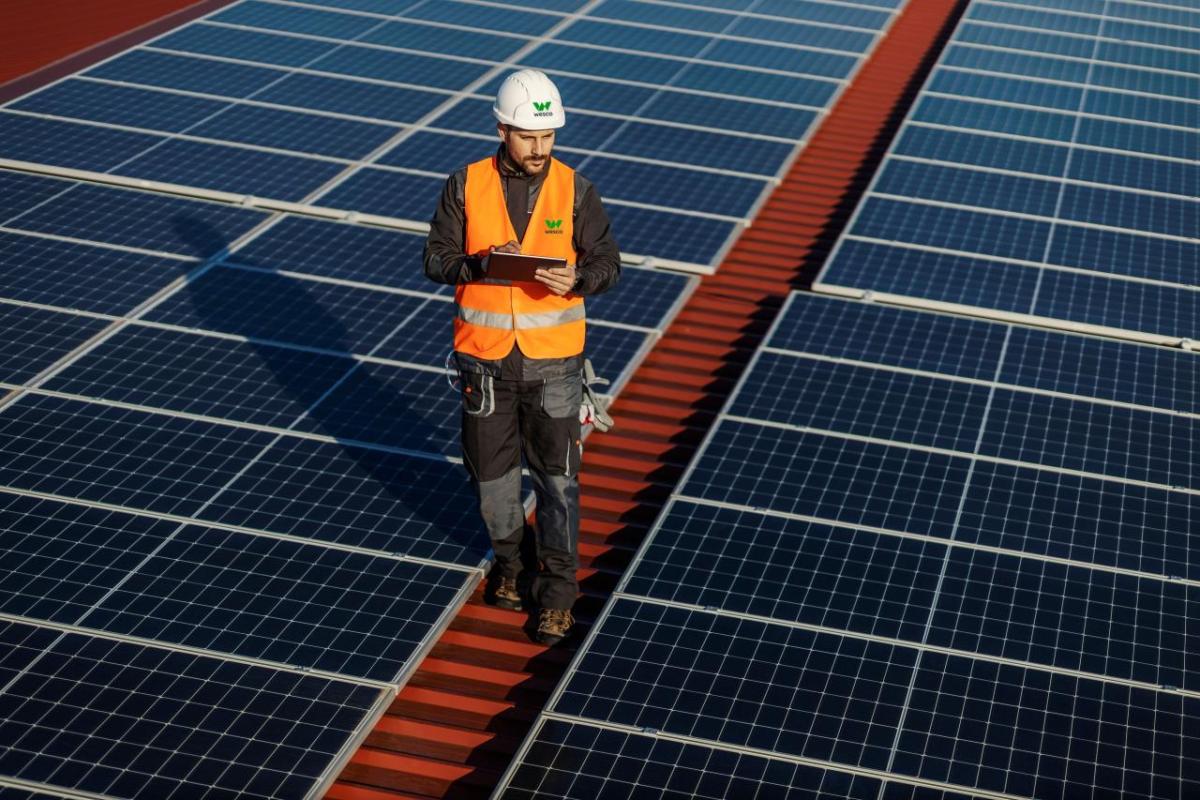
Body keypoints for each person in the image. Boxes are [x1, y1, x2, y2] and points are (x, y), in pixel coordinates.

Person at [422, 69, 620, 645]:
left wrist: (578, 279)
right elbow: (436, 260)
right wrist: (481, 264)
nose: (541, 148)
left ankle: (557, 597)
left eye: (549, 137)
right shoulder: (464, 185)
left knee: (558, 485)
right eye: (530, 136)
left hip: (554, 366)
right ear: (502, 127)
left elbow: (609, 264)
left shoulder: (577, 190)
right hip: (484, 366)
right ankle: (512, 568)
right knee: (493, 484)